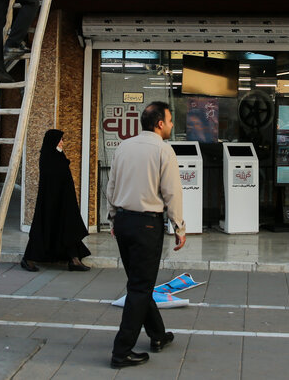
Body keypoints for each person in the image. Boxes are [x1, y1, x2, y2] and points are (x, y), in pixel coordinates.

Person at [105, 101, 186, 369]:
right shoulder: (164, 150)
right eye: (170, 121)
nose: (172, 126)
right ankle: (121, 351)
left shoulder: (123, 147)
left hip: (124, 221)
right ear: (159, 123)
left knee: (140, 282)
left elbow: (111, 185)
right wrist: (179, 226)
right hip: (147, 225)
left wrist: (112, 217)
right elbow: (172, 192)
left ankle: (158, 335)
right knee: (140, 287)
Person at [20, 129, 91, 272]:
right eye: (60, 140)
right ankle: (28, 259)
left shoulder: (57, 155)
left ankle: (74, 259)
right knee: (44, 228)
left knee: (68, 228)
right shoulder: (48, 156)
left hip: (63, 201)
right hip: (51, 202)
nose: (62, 142)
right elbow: (53, 179)